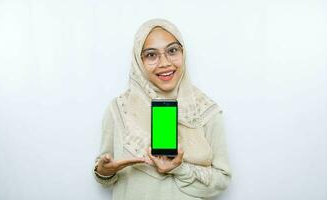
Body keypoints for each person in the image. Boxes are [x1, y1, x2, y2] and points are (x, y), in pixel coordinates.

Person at [93, 18, 232, 200]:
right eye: (151, 55)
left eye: (172, 51)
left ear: (183, 52)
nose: (164, 63)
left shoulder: (205, 111)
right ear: (138, 60)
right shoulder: (119, 109)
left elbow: (222, 180)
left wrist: (179, 169)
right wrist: (104, 172)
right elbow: (105, 175)